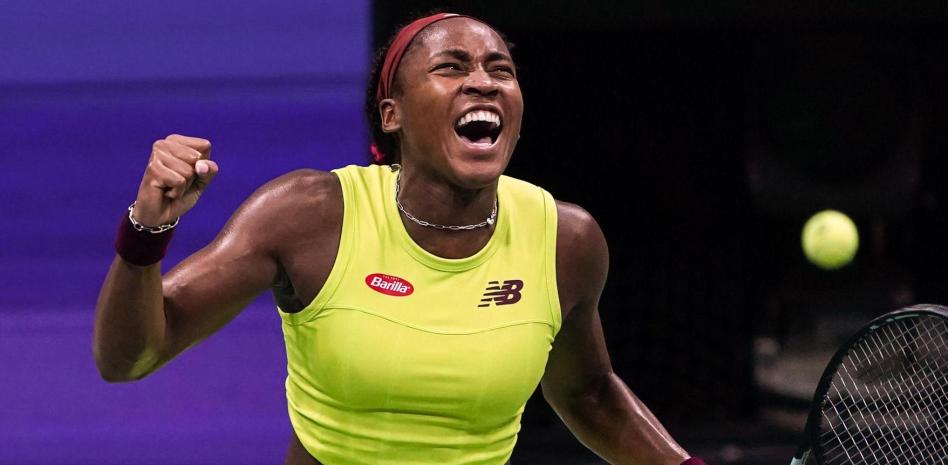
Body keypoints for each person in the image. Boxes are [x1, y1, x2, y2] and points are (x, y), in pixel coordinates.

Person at [94, 12, 707, 465]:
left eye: (501, 70)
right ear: (392, 114)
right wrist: (148, 230)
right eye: (451, 67)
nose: (484, 82)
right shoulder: (308, 215)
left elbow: (589, 395)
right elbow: (129, 357)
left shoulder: (564, 239)